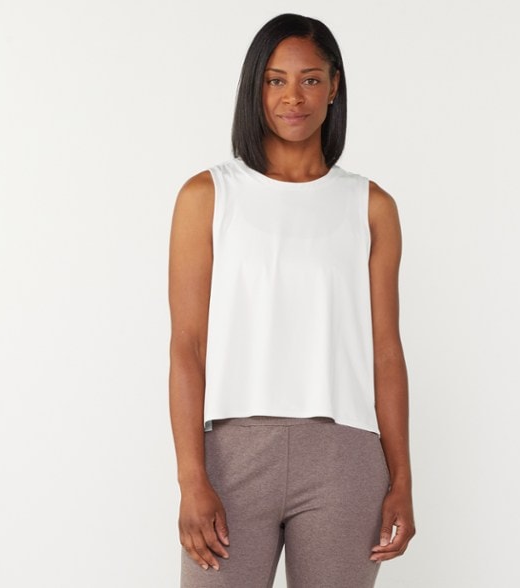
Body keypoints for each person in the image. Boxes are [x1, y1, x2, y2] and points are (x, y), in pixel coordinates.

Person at [168, 13, 415, 588]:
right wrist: (191, 479)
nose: (293, 97)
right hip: (232, 454)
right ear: (255, 89)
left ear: (334, 87)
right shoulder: (208, 196)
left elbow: (386, 353)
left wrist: (402, 478)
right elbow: (187, 346)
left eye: (310, 79)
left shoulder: (371, 207)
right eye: (275, 80)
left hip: (344, 456)